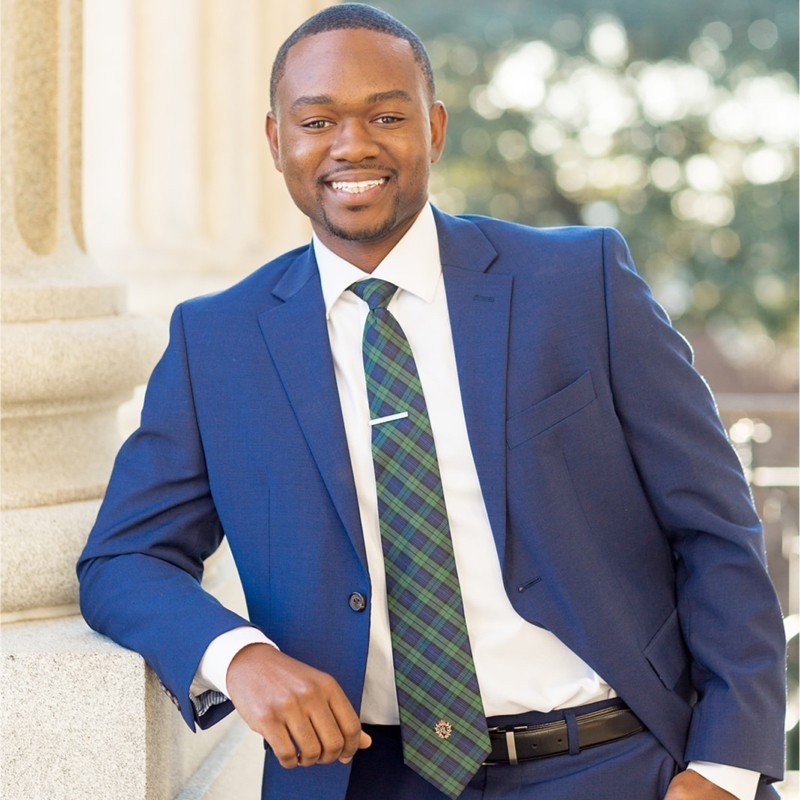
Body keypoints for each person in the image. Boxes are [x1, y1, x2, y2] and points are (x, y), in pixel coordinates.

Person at [76, 5, 786, 800]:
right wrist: (241, 657)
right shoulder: (218, 341)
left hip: (615, 762)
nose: (353, 145)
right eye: (318, 121)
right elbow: (122, 560)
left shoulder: (580, 283)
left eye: (386, 114)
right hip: (367, 778)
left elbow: (715, 529)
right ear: (277, 142)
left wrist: (724, 768)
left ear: (435, 128)